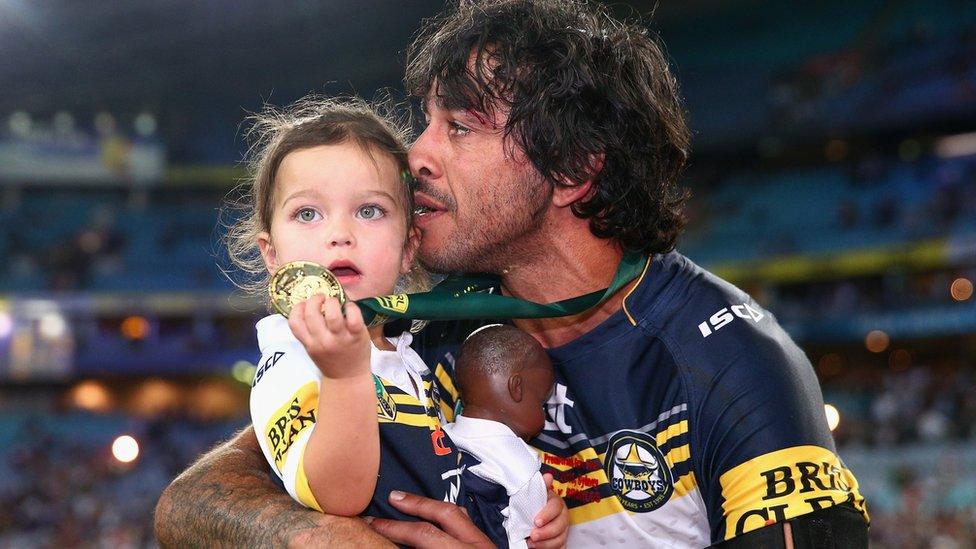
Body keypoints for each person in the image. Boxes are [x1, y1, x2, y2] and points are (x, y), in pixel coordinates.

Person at [155, 1, 869, 547]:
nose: (416, 155)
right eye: (425, 121)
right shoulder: (416, 326)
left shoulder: (731, 361)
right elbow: (194, 501)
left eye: (459, 128)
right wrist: (332, 538)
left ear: (574, 168)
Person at [224, 96, 566, 541]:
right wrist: (345, 377)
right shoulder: (289, 360)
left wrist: (524, 506)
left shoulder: (410, 351)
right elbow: (338, 496)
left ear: (408, 250)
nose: (339, 235)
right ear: (272, 255)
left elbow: (448, 469)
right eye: (308, 214)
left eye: (370, 211)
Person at [444, 324, 555, 549]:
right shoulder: (522, 468)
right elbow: (533, 539)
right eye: (541, 403)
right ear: (517, 388)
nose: (543, 419)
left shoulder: (439, 437)